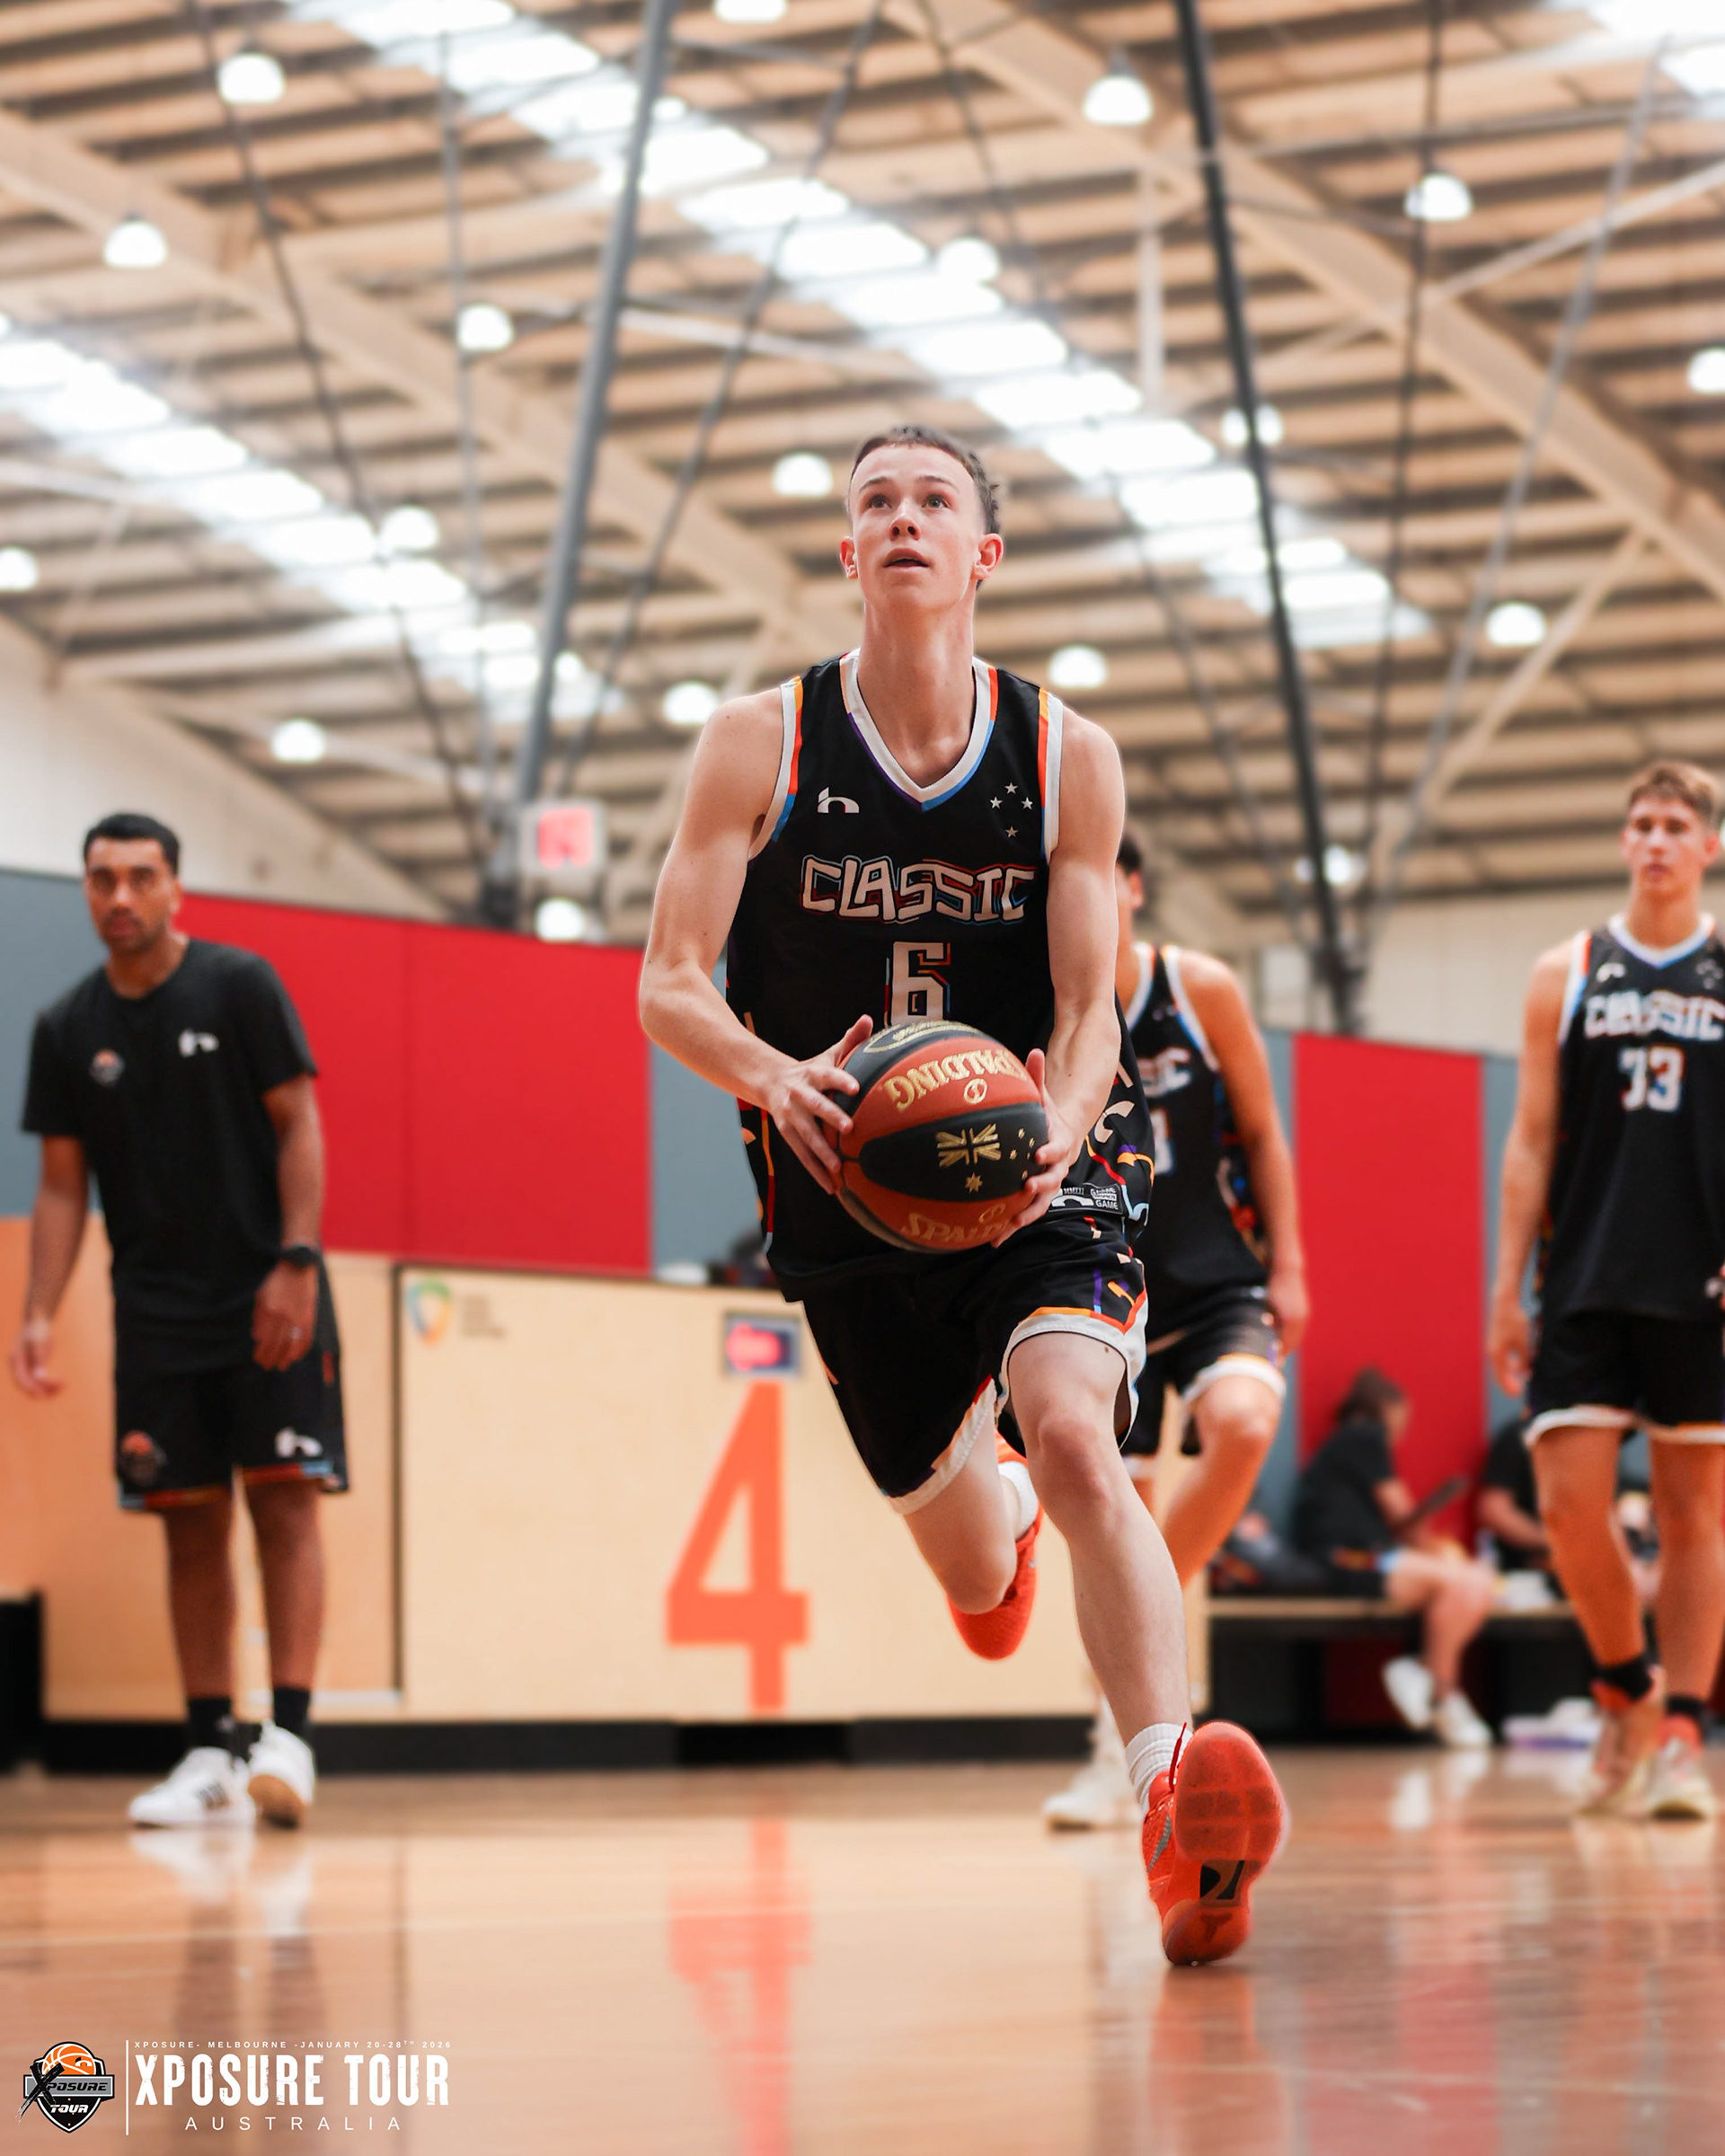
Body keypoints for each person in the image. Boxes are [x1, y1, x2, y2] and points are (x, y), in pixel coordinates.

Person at [639, 423, 1287, 1965]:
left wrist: (1062, 1125)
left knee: (1074, 1431)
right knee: (985, 1583)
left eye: (934, 500)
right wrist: (772, 1075)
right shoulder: (758, 742)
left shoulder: (1066, 755)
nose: (903, 518)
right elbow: (667, 984)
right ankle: (992, 1544)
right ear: (847, 550)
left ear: (984, 554)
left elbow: (1086, 1012)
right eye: (876, 501)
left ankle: (1165, 1794)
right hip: (842, 1194)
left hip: (1036, 1166)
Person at [9, 813, 342, 1829]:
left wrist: (297, 1261)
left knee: (284, 1504)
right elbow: (61, 1188)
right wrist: (36, 1312)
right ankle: (210, 1751)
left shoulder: (240, 986)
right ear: (86, 890)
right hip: (154, 1312)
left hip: (267, 1294)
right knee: (188, 1523)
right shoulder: (66, 1028)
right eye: (103, 879)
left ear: (174, 888)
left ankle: (288, 1738)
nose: (121, 896)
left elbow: (300, 1122)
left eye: (140, 877)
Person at [1045, 833, 1308, 1828]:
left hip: (1218, 1277)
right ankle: (1114, 1752)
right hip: (1106, 1282)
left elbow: (1266, 1134)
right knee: (1113, 1522)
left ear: (1134, 886)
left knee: (1243, 1422)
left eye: (1102, 876)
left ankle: (1151, 1592)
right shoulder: (1049, 1002)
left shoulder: (1200, 990)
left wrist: (1292, 1264)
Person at [1491, 760, 1725, 1819]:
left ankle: (1681, 1740)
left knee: (1693, 1514)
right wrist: (1505, 1289)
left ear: (1708, 846)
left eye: (1676, 825)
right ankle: (1628, 1690)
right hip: (1582, 1271)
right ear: (1625, 841)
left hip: (1701, 1280)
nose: (1657, 841)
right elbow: (1531, 1139)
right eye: (1642, 824)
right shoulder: (1568, 971)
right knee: (1568, 1505)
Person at [1293, 1368, 1495, 1746]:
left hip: (1363, 1556)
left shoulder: (1344, 1444)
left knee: (1474, 1581)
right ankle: (1443, 1693)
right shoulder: (1365, 1436)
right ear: (1389, 1409)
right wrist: (1435, 1547)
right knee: (1469, 1579)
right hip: (1349, 1559)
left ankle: (1427, 1674)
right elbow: (1399, 1512)